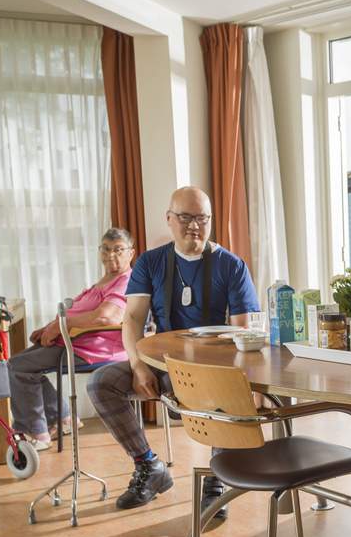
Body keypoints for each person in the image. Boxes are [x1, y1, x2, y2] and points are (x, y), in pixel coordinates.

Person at [87, 187, 260, 511]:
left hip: (213, 368)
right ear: (169, 219)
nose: (194, 225)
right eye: (185, 217)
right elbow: (134, 318)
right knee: (100, 383)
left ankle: (216, 477)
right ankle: (148, 466)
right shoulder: (151, 262)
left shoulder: (231, 265)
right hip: (160, 365)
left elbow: (242, 330)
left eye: (202, 218)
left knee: (230, 387)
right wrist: (138, 366)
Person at [7, 228, 134, 451]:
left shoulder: (125, 281)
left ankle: (36, 433)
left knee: (18, 368)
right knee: (16, 364)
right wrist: (50, 327)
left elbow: (107, 317)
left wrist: (61, 325)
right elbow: (76, 312)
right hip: (74, 342)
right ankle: (63, 419)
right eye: (105, 249)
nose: (110, 254)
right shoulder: (103, 282)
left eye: (118, 249)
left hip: (95, 348)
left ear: (131, 253)